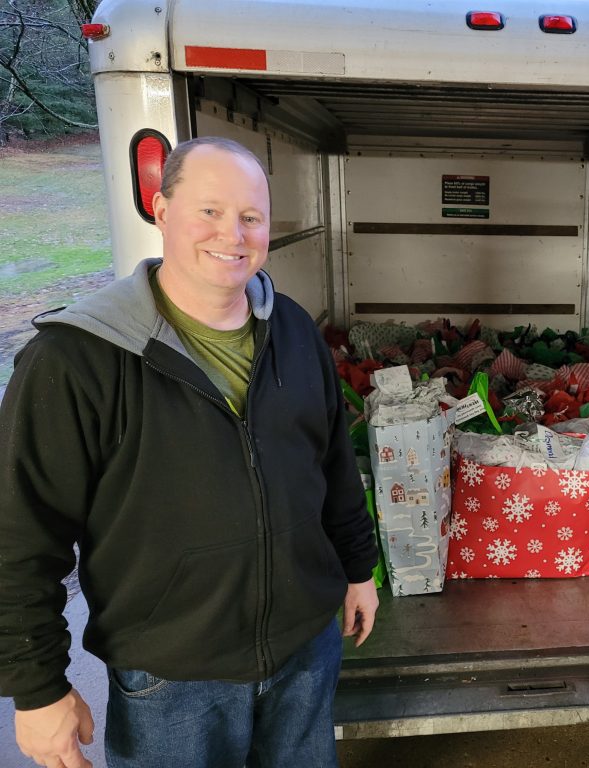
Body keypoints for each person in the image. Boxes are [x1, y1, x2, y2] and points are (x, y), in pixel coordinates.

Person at [0, 136, 380, 768]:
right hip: (172, 677)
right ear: (161, 209)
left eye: (250, 217)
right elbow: (16, 535)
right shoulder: (76, 358)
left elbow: (334, 463)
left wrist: (357, 568)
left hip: (305, 653)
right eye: (209, 210)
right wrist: (37, 690)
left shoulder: (291, 329)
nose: (232, 234)